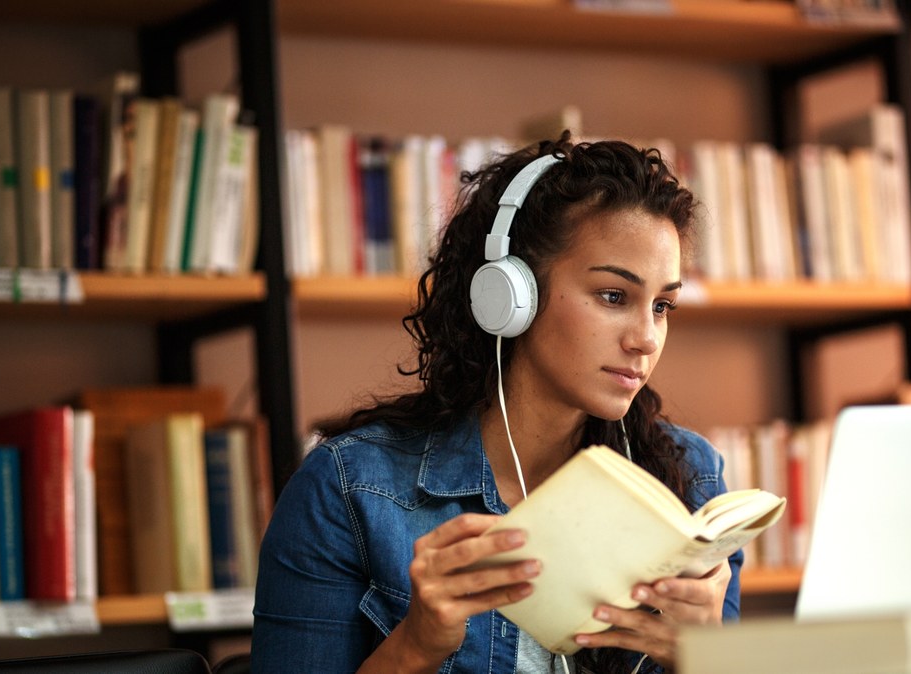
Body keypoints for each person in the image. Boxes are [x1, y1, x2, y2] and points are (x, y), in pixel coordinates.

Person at [251, 135, 742, 674]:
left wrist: (706, 658)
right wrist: (415, 646)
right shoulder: (349, 490)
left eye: (663, 305)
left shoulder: (689, 482)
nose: (646, 338)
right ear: (510, 295)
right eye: (613, 296)